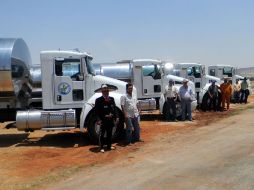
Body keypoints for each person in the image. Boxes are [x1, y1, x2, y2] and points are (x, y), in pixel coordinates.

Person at [95, 84, 119, 153]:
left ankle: (109, 146)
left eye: (107, 91)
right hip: (103, 120)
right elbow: (96, 112)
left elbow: (114, 109)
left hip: (110, 120)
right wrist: (98, 119)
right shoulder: (98, 100)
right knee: (102, 134)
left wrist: (116, 117)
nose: (106, 92)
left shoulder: (112, 99)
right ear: (102, 92)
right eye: (104, 91)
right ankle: (101, 147)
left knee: (110, 133)